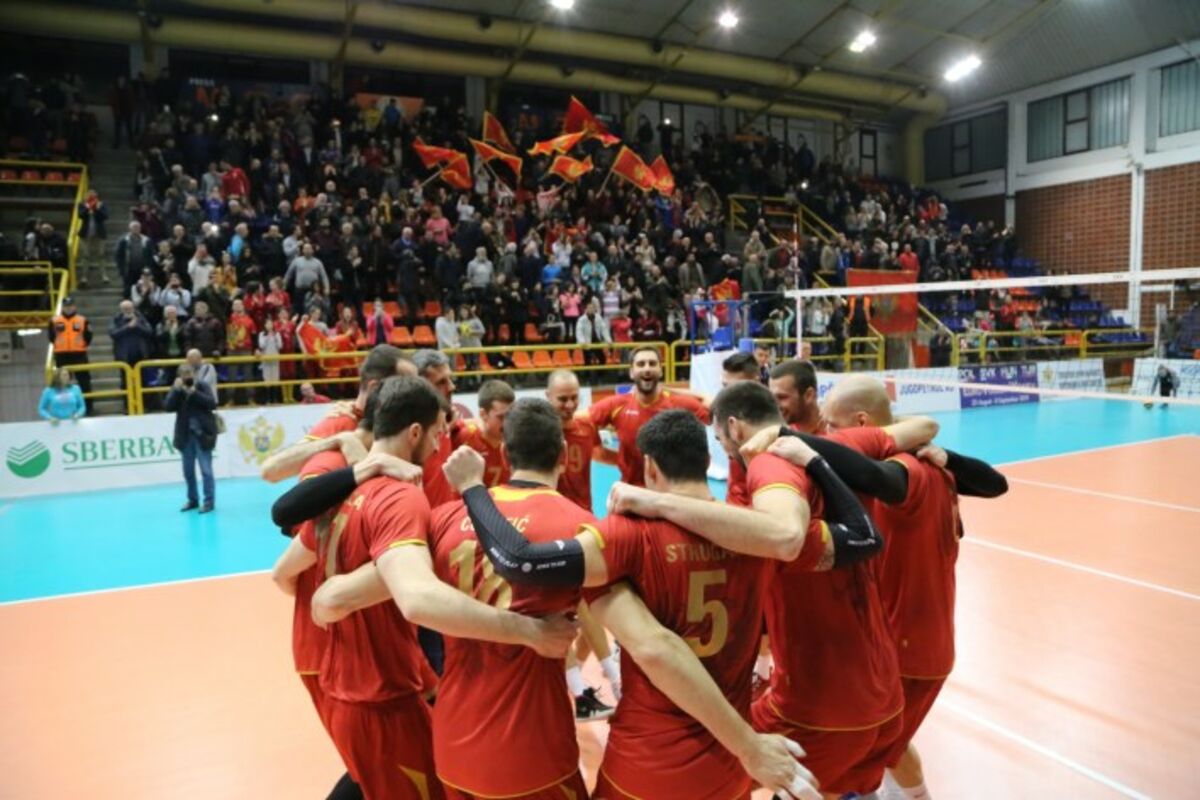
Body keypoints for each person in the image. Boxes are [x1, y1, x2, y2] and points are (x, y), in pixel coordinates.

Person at [440, 406, 823, 800]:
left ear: (650, 467)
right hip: (726, 765)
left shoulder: (625, 535)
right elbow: (844, 541)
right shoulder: (757, 536)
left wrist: (472, 488)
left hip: (643, 762)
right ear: (707, 460)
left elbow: (520, 562)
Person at [269, 377, 577, 800]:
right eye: (436, 435)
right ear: (415, 432)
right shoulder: (402, 499)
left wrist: (332, 597)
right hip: (381, 696)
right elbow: (415, 598)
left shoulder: (345, 490)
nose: (437, 449)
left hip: (344, 684)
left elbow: (284, 573)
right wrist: (533, 632)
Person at [609, 381, 900, 798]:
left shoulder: (767, 472)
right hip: (880, 685)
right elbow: (919, 429)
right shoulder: (822, 448)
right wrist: (815, 457)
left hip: (821, 699)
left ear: (733, 428)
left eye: (720, 438)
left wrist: (656, 503)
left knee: (730, 757)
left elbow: (785, 536)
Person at [586, 346, 709, 486]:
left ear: (660, 370)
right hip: (632, 491)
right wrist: (611, 456)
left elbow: (715, 411)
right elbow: (580, 421)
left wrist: (673, 390)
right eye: (641, 364)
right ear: (631, 373)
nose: (647, 368)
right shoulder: (616, 405)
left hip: (671, 492)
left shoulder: (678, 403)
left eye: (652, 363)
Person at [166, 362, 218, 513]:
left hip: (203, 435)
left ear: (194, 374)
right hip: (185, 436)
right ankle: (193, 500)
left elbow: (212, 404)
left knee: (206, 471)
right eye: (184, 375)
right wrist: (176, 391)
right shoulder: (177, 390)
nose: (187, 377)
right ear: (179, 377)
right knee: (188, 471)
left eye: (189, 374)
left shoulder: (202, 386)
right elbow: (168, 406)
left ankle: (209, 502)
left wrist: (194, 393)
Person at [450, 379, 514, 488]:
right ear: (483, 414)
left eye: (511, 415)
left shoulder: (516, 439)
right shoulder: (462, 436)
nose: (508, 422)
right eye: (501, 417)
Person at [49, 295, 93, 413]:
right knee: (62, 383)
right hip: (61, 355)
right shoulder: (54, 320)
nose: (68, 308)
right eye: (66, 306)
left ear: (75, 306)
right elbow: (51, 337)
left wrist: (80, 345)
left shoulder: (82, 320)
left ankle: (88, 408)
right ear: (62, 307)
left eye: (71, 305)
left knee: (84, 382)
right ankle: (65, 408)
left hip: (79, 354)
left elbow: (88, 336)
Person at [77, 189, 109, 286]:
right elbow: (80, 215)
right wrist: (88, 208)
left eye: (93, 195)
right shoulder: (82, 204)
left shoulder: (101, 204)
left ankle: (104, 275)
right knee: (85, 255)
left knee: (101, 255)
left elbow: (105, 216)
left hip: (99, 234)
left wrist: (96, 209)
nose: (91, 196)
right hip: (85, 234)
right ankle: (84, 277)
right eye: (89, 195)